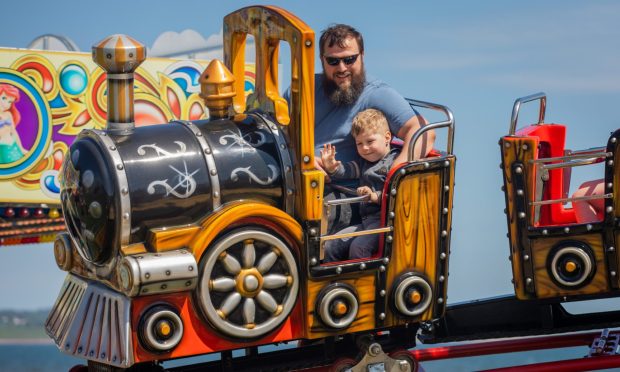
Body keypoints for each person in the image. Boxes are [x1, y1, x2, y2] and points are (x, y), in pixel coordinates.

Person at [312, 24, 435, 233]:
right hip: (301, 181)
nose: (342, 68)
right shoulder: (308, 88)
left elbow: (423, 132)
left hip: (343, 198)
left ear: (362, 55)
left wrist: (393, 179)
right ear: (322, 60)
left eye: (349, 59)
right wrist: (304, 160)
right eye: (333, 61)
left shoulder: (376, 93)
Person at [321, 108, 396, 262]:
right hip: (365, 222)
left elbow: (400, 194)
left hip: (384, 223)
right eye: (359, 144)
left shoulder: (394, 162)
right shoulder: (364, 163)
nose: (365, 148)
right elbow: (347, 171)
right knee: (330, 245)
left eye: (370, 141)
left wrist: (375, 196)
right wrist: (332, 167)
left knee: (359, 247)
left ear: (387, 137)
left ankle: (360, 284)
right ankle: (333, 283)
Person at [0, 84, 25, 163]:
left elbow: (14, 132)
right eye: (4, 98)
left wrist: (21, 148)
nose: (6, 104)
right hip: (2, 148)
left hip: (13, 145)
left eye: (10, 102)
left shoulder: (8, 114)